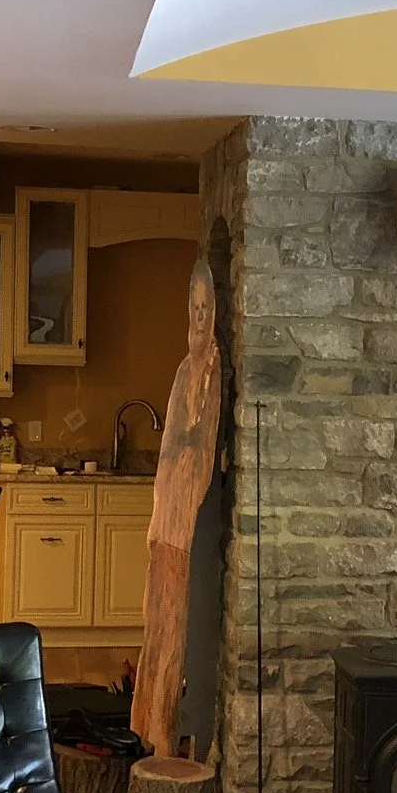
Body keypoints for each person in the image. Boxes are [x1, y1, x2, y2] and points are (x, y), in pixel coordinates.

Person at [131, 261, 220, 756]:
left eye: (208, 309)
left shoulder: (211, 372)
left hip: (188, 527)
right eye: (195, 309)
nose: (201, 318)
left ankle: (165, 734)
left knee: (176, 631)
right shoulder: (186, 371)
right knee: (157, 625)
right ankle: (150, 727)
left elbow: (197, 446)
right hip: (168, 522)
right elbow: (173, 446)